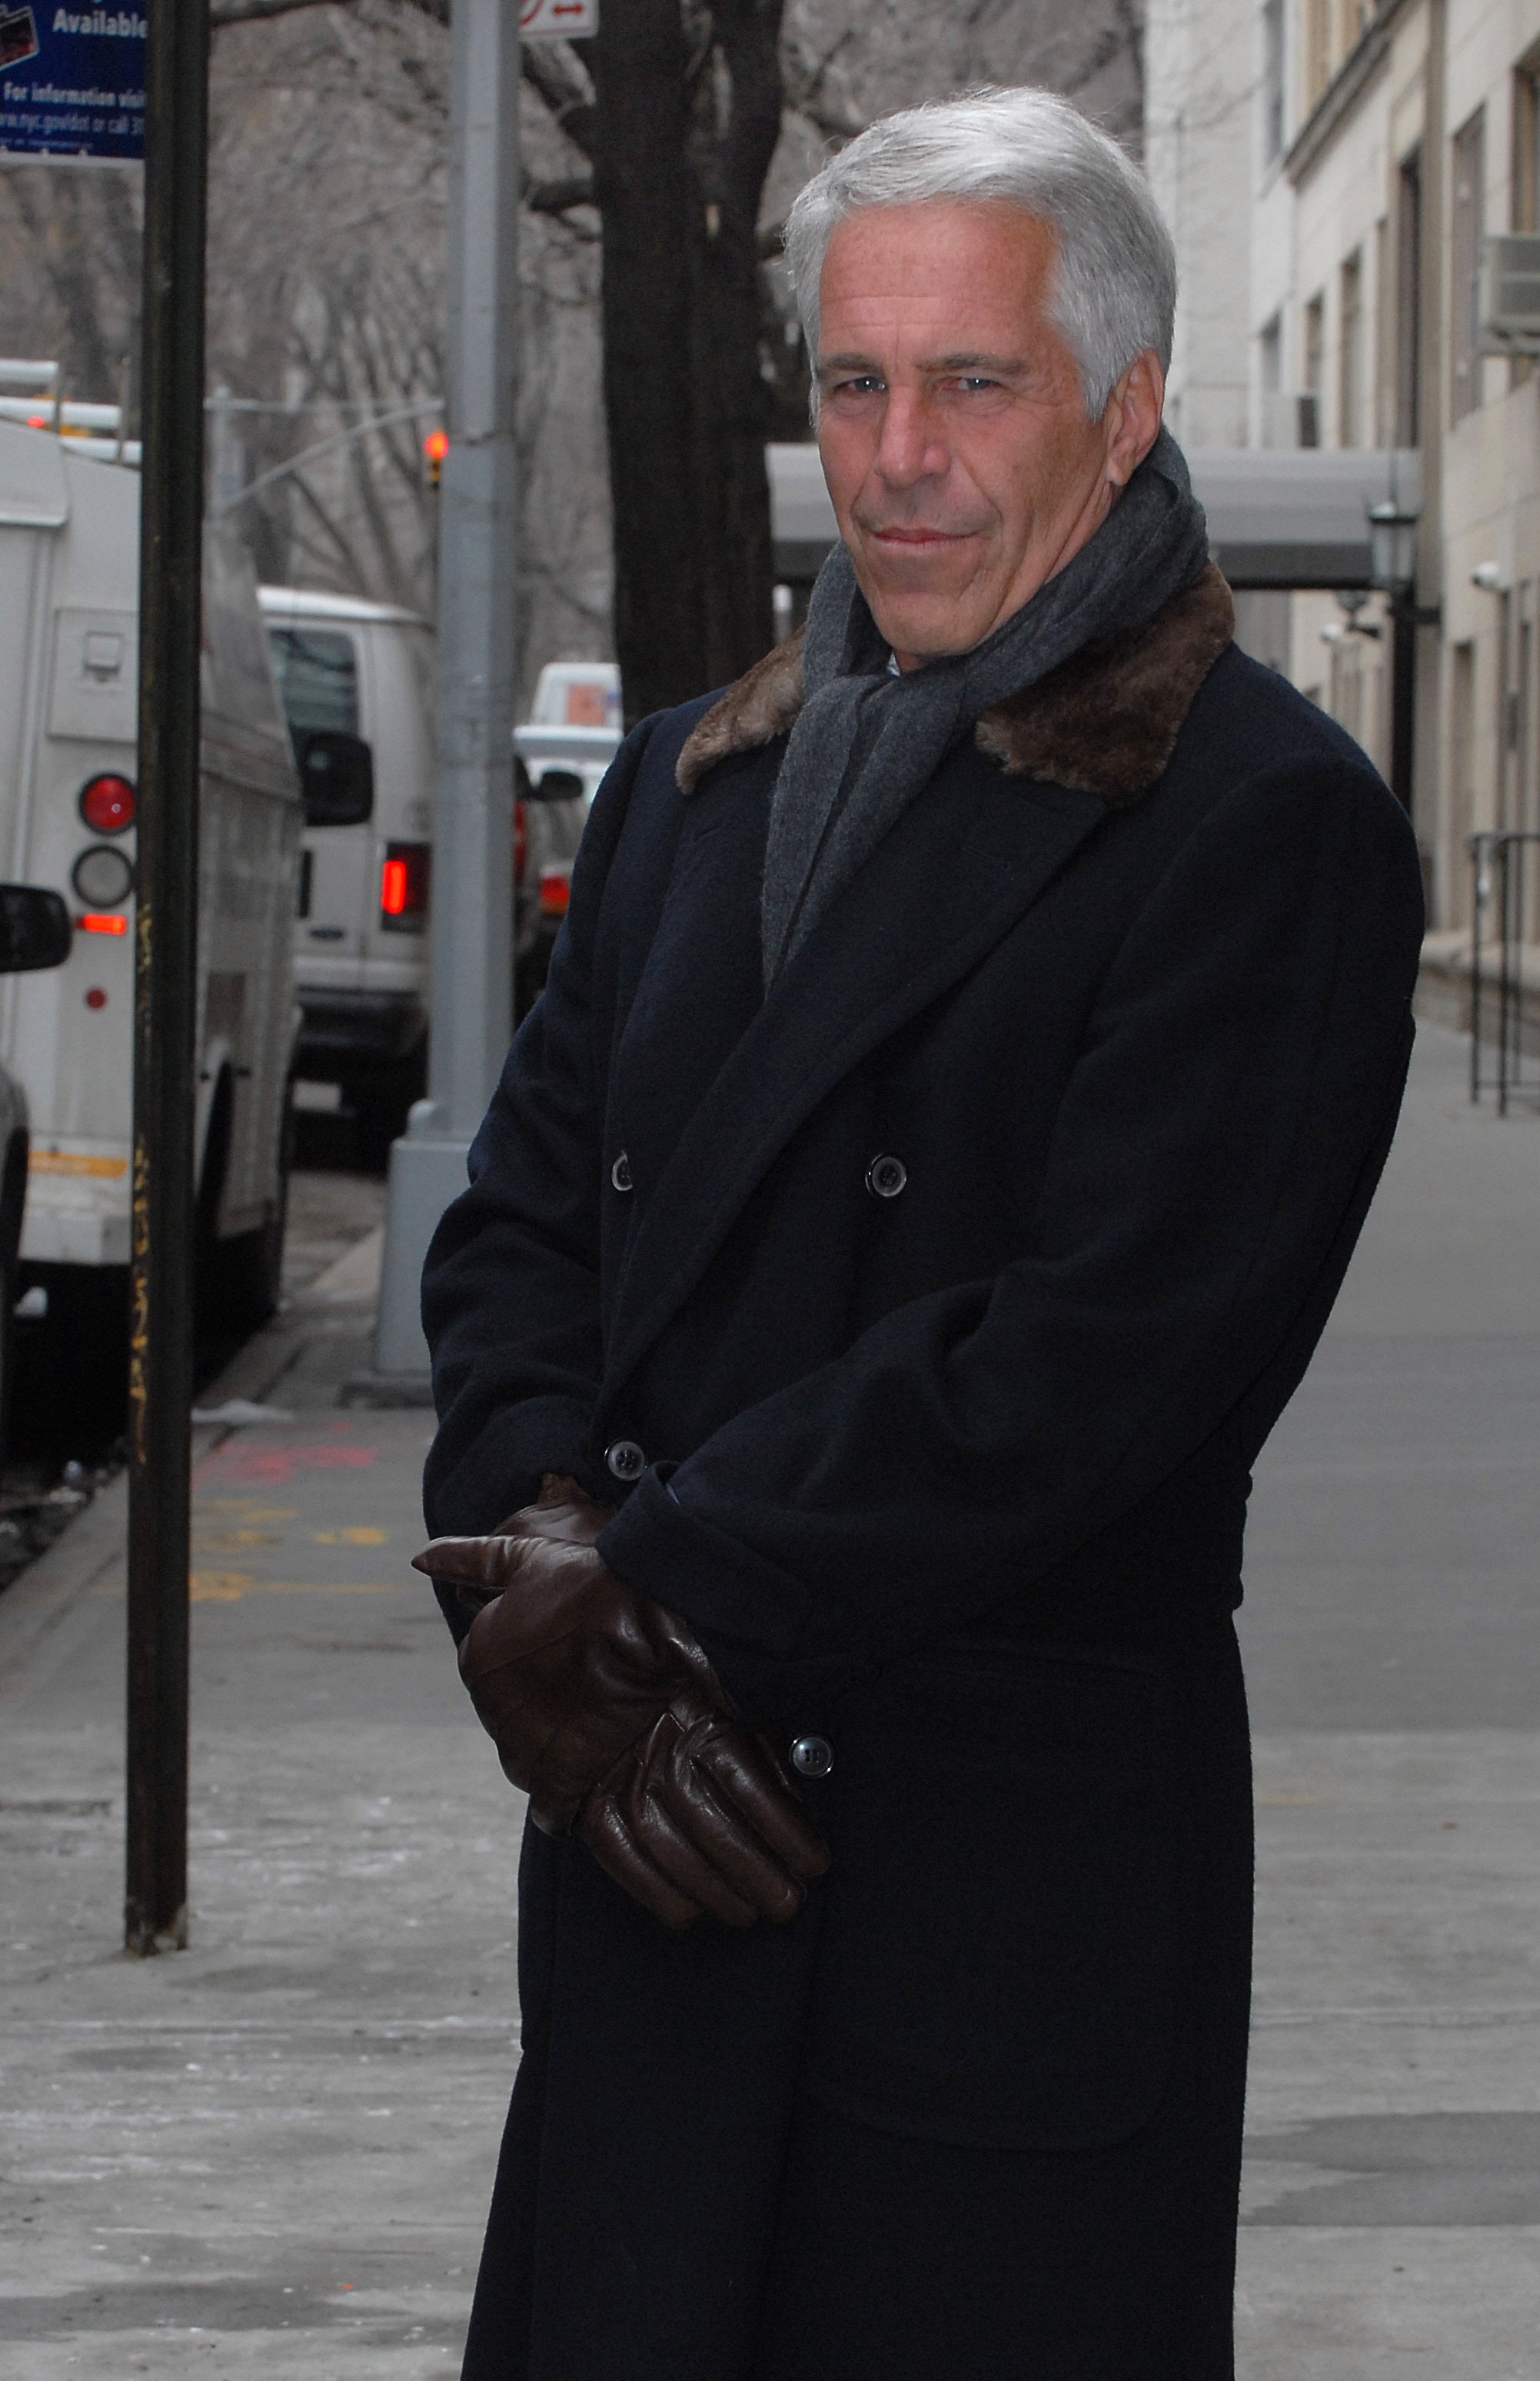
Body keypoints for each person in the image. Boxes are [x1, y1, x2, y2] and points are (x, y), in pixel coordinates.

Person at [415, 85, 1424, 2381]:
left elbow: (1101, 1361)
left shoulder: (1261, 819)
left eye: (974, 382)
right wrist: (533, 1534)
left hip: (985, 1880)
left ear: (1124, 408)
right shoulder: (693, 781)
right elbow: (522, 1221)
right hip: (663, 1825)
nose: (896, 459)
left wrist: (648, 1592)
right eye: (854, 382)